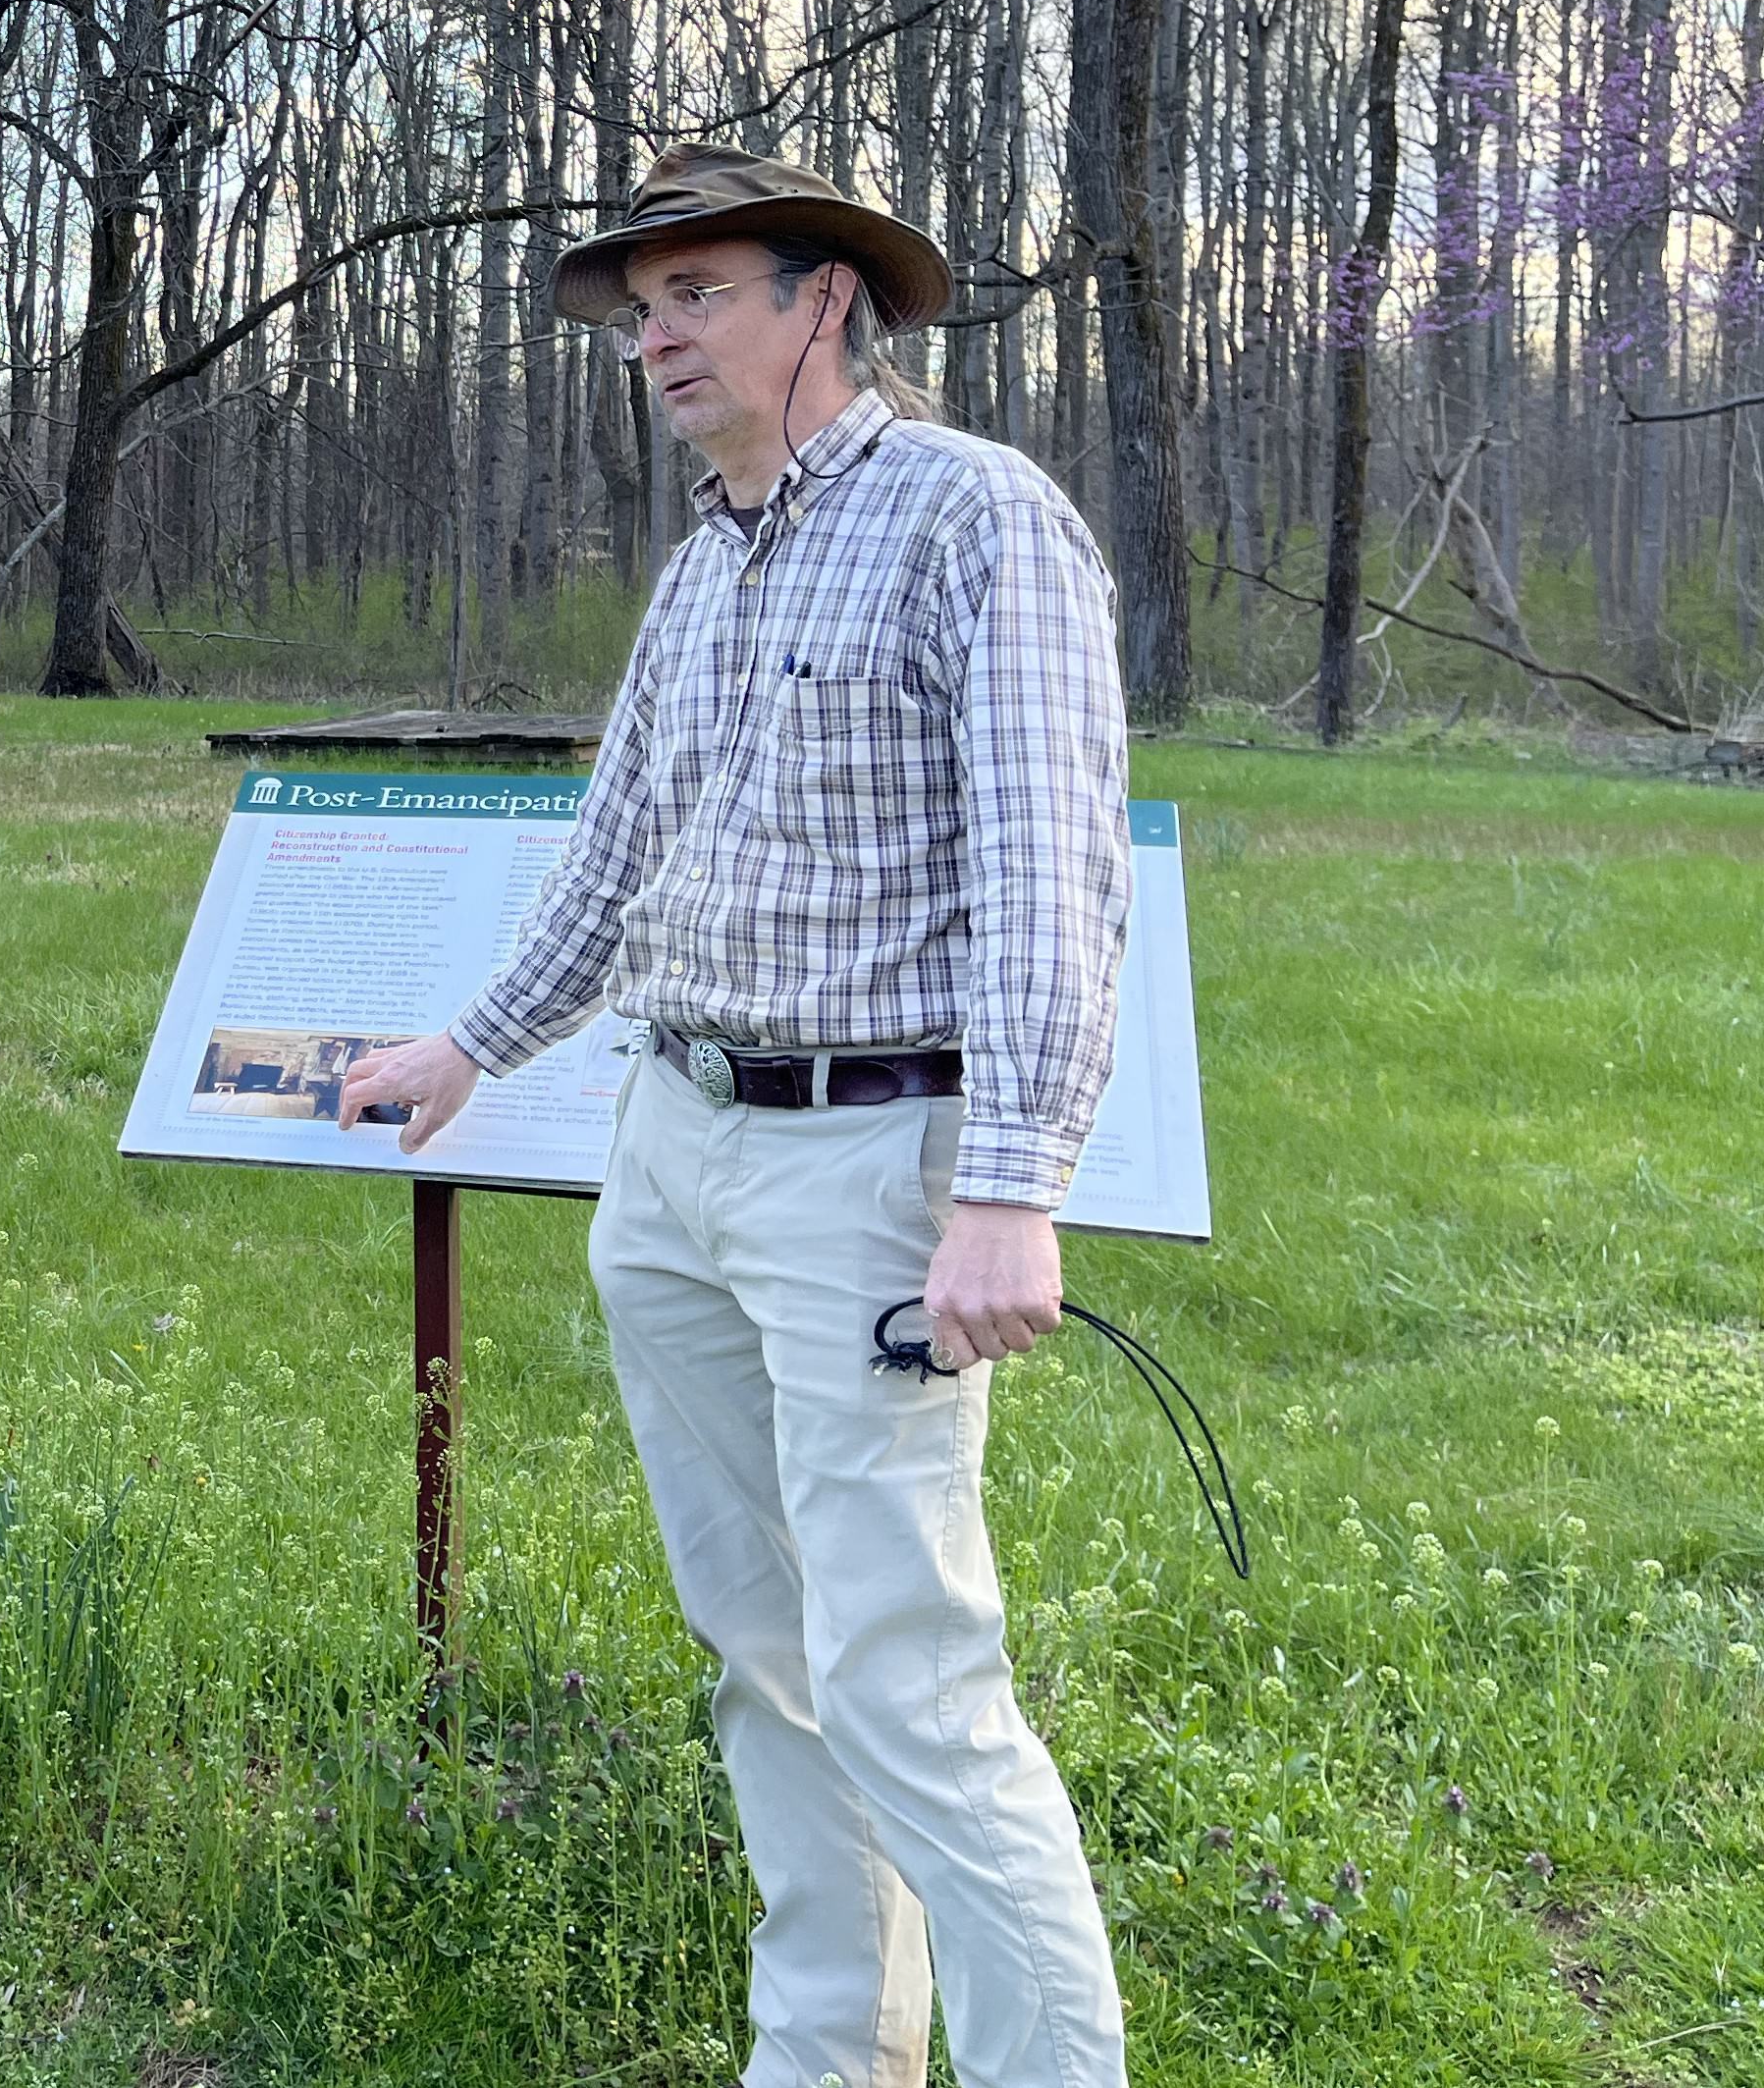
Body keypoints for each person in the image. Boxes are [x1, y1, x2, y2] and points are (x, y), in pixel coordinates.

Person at [338, 143, 1134, 2088]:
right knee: (762, 1661)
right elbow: (615, 860)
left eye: (696, 292)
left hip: (874, 1166)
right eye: (636, 306)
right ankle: (826, 2055)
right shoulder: (704, 564)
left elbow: (1053, 873)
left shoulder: (975, 519)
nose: (654, 336)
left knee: (909, 1678)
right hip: (671, 1154)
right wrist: (467, 1044)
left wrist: (1009, 1185)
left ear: (823, 301)